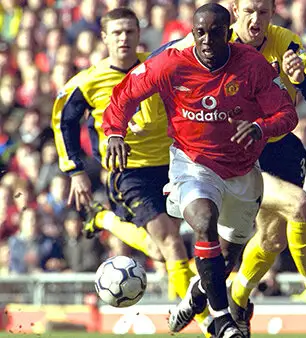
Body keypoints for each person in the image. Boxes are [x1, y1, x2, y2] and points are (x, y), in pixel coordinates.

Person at [101, 4, 298, 338]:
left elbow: (286, 113)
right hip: (191, 162)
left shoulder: (252, 66)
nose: (207, 40)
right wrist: (115, 133)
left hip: (241, 170)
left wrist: (261, 127)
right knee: (203, 220)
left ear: (228, 30)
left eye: (215, 32)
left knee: (226, 258)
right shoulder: (171, 62)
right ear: (192, 32)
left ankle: (197, 292)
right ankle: (221, 320)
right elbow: (125, 95)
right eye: (199, 32)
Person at [162, 0, 306, 335]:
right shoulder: (216, 41)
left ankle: (228, 296)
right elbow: (167, 61)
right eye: (248, 10)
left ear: (273, 12)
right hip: (237, 155)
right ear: (234, 10)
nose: (255, 19)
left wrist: (301, 77)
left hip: (281, 150)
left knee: (272, 240)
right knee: (300, 205)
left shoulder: (287, 43)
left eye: (263, 11)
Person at [51, 8, 212, 335]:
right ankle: (209, 322)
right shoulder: (87, 82)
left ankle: (103, 219)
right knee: (170, 243)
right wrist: (75, 171)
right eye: (117, 32)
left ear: (140, 35)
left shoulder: (158, 66)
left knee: (160, 249)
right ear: (105, 37)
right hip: (128, 173)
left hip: (172, 165)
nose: (124, 38)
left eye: (130, 32)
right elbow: (63, 122)